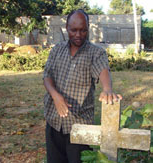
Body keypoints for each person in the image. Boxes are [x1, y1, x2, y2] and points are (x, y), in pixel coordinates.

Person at [43, 9, 122, 163]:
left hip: (79, 126)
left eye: (83, 30)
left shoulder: (96, 53)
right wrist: (55, 96)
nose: (78, 35)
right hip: (53, 121)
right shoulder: (56, 50)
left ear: (88, 28)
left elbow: (103, 70)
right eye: (74, 30)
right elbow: (47, 76)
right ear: (67, 27)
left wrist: (107, 89)